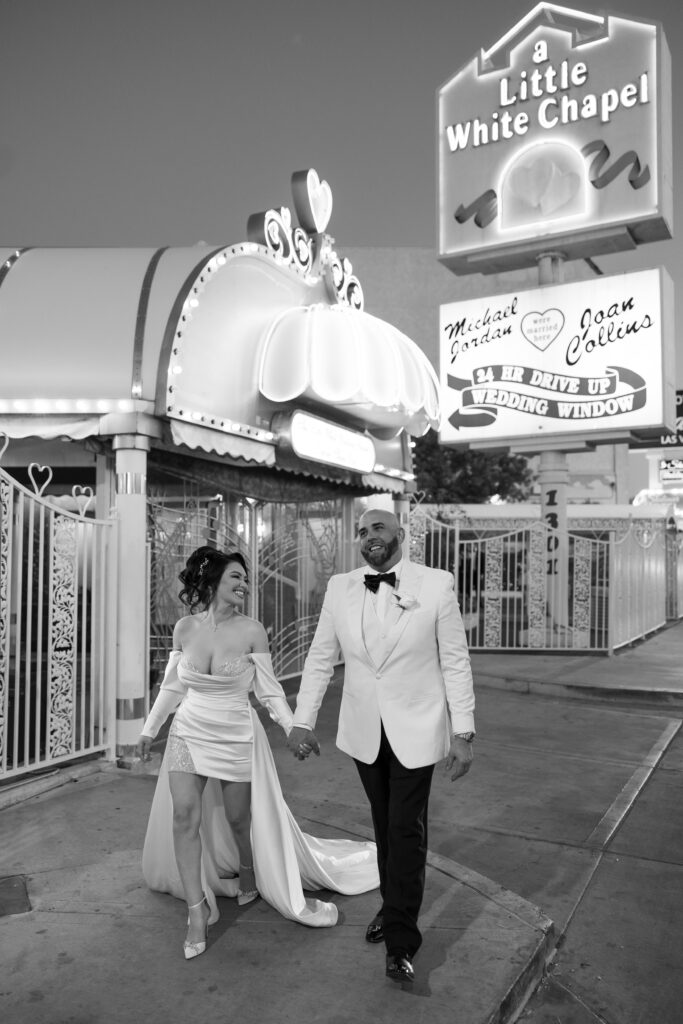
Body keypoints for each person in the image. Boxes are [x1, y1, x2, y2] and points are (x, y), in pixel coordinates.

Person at [136, 545, 378, 960]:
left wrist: (292, 728)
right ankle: (197, 910)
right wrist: (148, 730)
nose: (244, 585)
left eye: (245, 579)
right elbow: (173, 687)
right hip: (189, 730)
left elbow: (268, 691)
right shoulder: (184, 628)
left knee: (237, 818)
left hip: (234, 734)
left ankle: (248, 871)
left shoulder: (252, 630)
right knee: (184, 816)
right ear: (212, 580)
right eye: (236, 577)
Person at [287, 507, 475, 985]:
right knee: (385, 827)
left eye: (378, 529)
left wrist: (463, 732)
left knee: (404, 829)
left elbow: (455, 661)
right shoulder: (341, 586)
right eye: (363, 531)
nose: (369, 537)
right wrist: (302, 720)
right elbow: (320, 657)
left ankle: (400, 941)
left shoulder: (435, 584)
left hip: (417, 725)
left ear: (400, 535)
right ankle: (394, 908)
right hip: (364, 731)